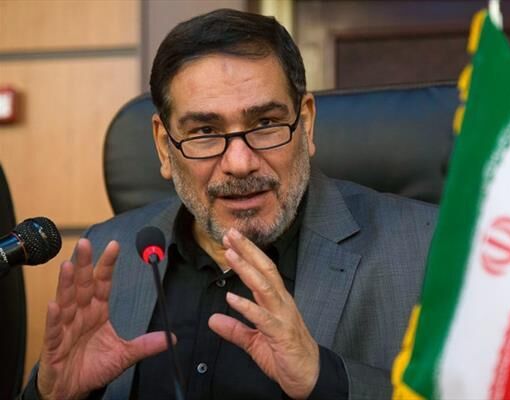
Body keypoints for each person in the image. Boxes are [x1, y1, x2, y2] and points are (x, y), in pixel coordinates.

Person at [22, 8, 437, 400]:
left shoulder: (425, 248)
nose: (240, 163)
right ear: (164, 147)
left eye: (266, 123)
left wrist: (323, 377)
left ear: (306, 123)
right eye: (205, 131)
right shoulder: (106, 255)